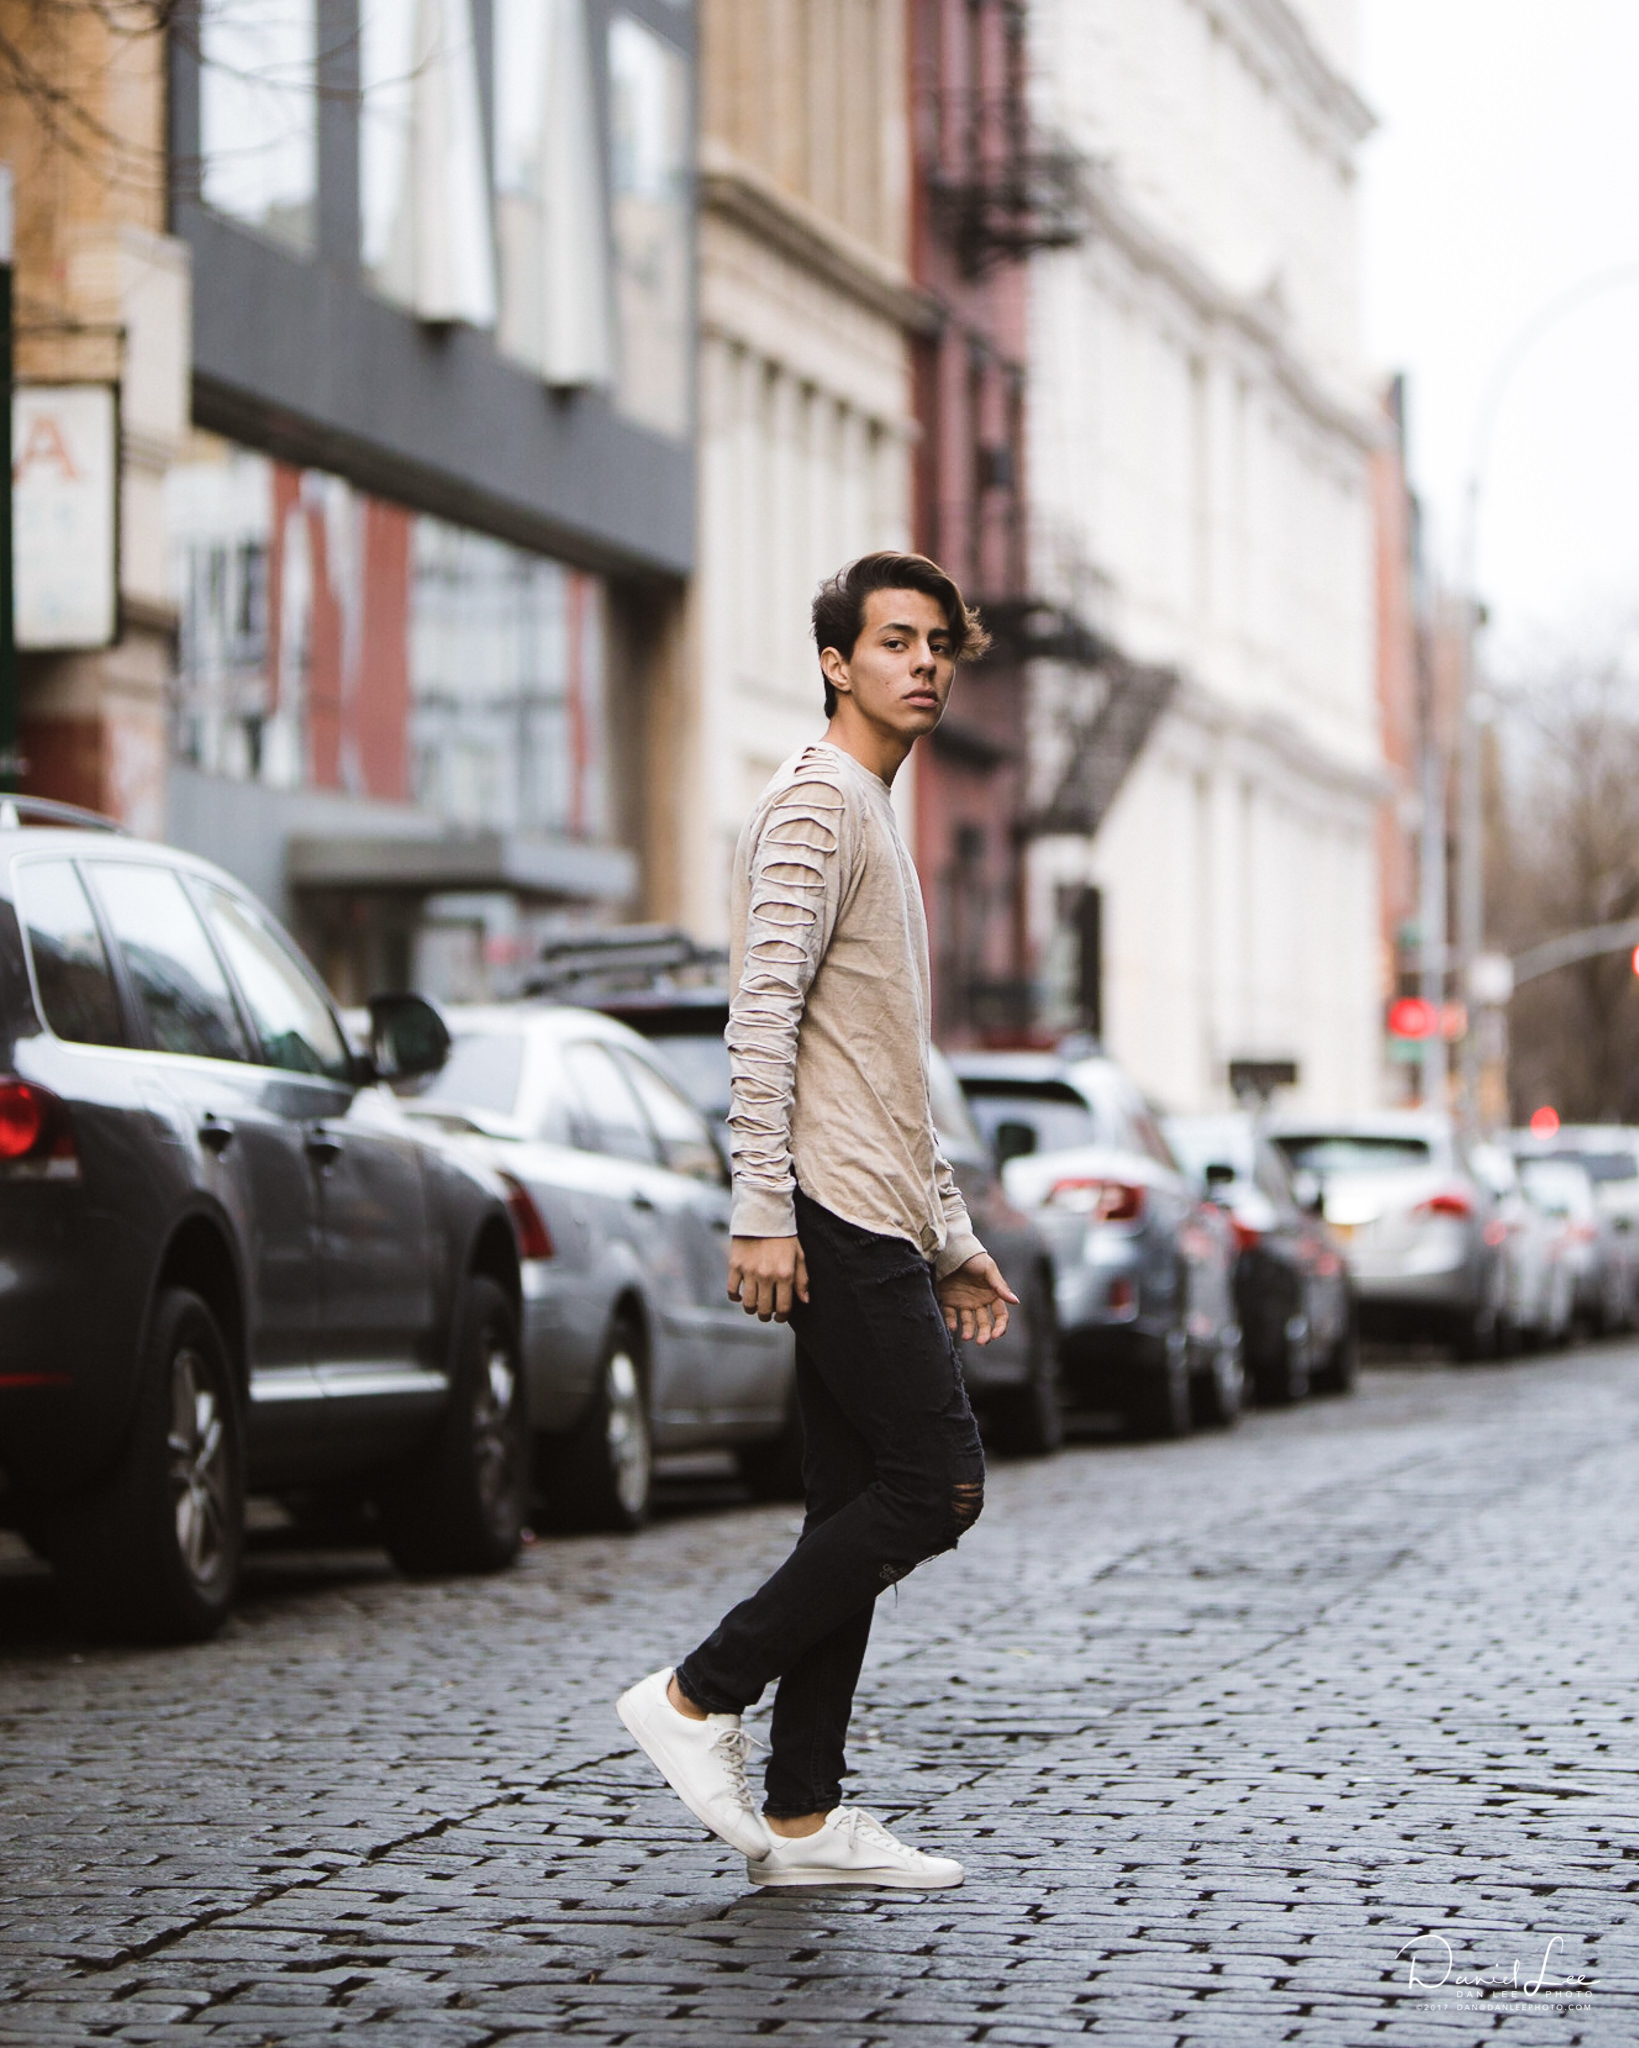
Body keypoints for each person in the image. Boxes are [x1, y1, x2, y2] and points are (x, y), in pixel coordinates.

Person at [617, 551, 1018, 1890]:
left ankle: (800, 1817)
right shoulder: (815, 807)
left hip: (874, 1210)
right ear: (837, 661)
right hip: (832, 1219)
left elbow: (882, 1074)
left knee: (854, 1503)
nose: (923, 662)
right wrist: (761, 1210)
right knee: (937, 1483)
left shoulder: (872, 815)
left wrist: (950, 1229)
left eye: (938, 645)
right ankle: (693, 1696)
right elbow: (763, 1019)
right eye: (894, 640)